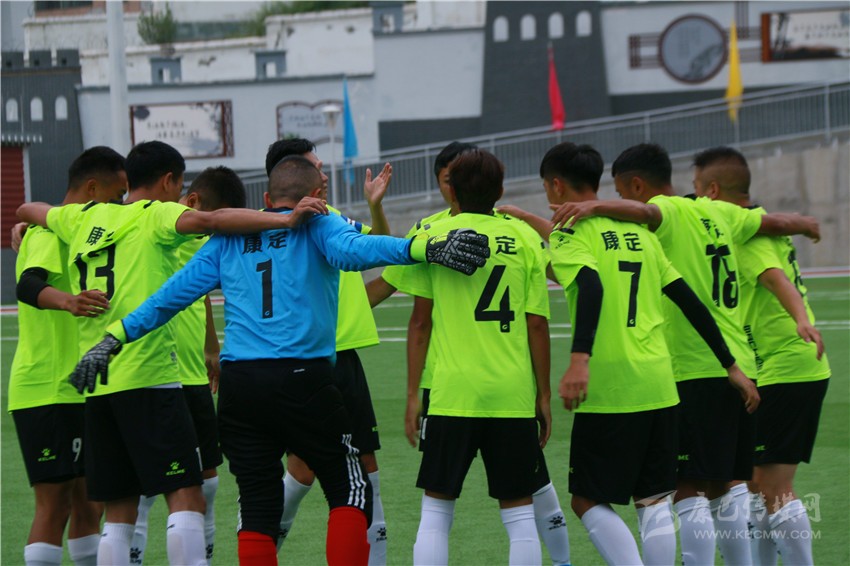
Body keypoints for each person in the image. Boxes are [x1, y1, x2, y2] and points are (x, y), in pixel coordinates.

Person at [68, 155, 489, 566]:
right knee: (350, 488)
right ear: (318, 194)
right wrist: (427, 247)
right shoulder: (319, 223)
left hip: (239, 387)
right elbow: (359, 249)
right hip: (304, 378)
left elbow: (168, 297)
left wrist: (114, 337)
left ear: (267, 198)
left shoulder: (229, 238)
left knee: (257, 504)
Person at [16, 141, 330, 566]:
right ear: (168, 182)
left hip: (99, 383)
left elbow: (29, 208)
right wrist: (285, 218)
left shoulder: (81, 217)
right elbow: (213, 220)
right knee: (186, 494)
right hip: (149, 375)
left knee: (119, 507)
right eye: (179, 186)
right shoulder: (155, 215)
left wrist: (28, 223)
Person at [550, 143, 819, 566]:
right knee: (725, 487)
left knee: (687, 490)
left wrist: (591, 208)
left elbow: (638, 224)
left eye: (620, 193)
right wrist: (805, 224)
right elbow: (773, 223)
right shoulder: (718, 213)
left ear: (635, 186)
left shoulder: (663, 215)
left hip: (686, 369)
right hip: (732, 362)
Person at [515, 142, 753, 565]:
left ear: (555, 185)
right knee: (654, 498)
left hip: (612, 385)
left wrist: (579, 359)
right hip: (660, 385)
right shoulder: (642, 234)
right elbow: (690, 301)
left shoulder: (573, 234)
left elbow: (589, 285)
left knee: (586, 499)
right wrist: (730, 365)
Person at [375, 141, 572, 566]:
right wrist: (542, 395)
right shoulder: (524, 238)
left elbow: (420, 323)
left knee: (436, 511)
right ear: (500, 191)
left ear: (453, 191)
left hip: (451, 394)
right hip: (511, 394)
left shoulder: (433, 237)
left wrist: (412, 395)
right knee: (519, 514)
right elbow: (537, 324)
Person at [692, 146, 830, 566]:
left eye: (696, 189)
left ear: (712, 191)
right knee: (755, 485)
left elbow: (774, 279)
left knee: (772, 488)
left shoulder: (746, 233)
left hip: (785, 368)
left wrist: (801, 319)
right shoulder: (759, 221)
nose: (694, 197)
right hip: (785, 367)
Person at [261, 138, 393, 565]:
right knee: (352, 472)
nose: (323, 175)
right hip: (316, 360)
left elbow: (379, 247)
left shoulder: (327, 218)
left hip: (322, 360)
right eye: (315, 168)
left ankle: (260, 543)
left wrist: (375, 207)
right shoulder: (292, 225)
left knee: (307, 469)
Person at [9, 146, 127, 566]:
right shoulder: (48, 232)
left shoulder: (86, 235)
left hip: (80, 388)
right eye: (117, 195)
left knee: (89, 503)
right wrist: (69, 302)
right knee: (55, 504)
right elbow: (28, 285)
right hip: (47, 389)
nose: (120, 204)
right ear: (92, 189)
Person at [129, 166, 248, 565]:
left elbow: (199, 290)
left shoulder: (200, 239)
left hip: (193, 371)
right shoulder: (154, 223)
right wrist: (29, 226)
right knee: (146, 489)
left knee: (207, 481)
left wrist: (211, 345)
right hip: (154, 370)